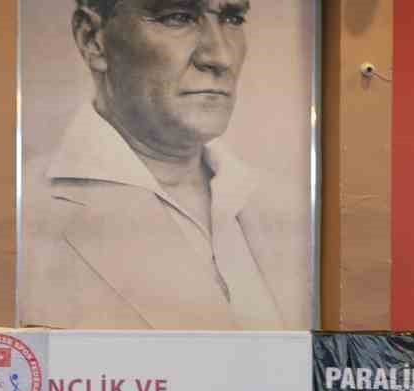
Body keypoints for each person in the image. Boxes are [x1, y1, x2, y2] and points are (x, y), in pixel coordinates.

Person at [21, 0, 308, 330]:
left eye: (232, 18)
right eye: (178, 17)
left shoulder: (290, 206)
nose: (220, 56)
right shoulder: (25, 216)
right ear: (93, 40)